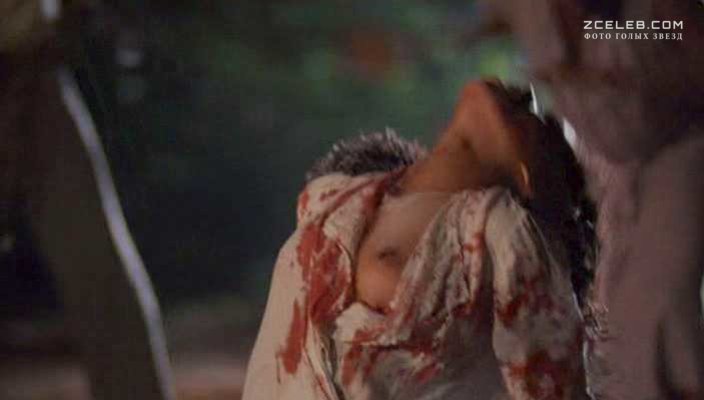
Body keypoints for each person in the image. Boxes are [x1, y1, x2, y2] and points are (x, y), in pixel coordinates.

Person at [242, 80, 592, 400]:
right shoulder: (333, 196)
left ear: (531, 177)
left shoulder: (506, 234)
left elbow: (554, 386)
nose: (527, 92)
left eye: (541, 122)